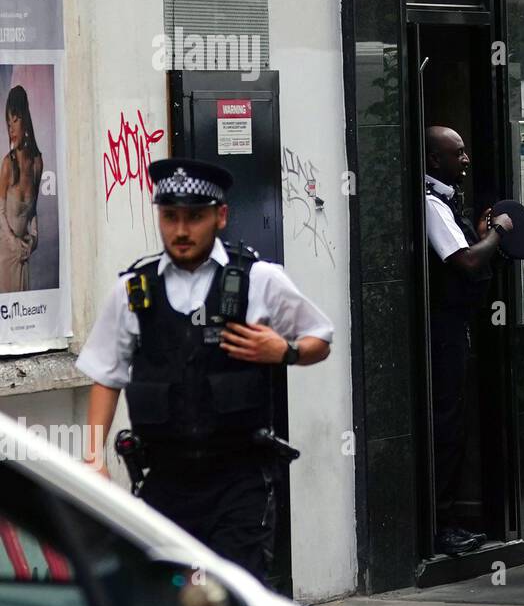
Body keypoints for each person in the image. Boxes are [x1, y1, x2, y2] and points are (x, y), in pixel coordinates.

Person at [77, 157, 333, 582]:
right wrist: (93, 457)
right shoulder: (132, 290)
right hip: (163, 481)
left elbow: (320, 339)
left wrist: (284, 350)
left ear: (220, 216)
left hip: (239, 480)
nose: (180, 231)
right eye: (170, 216)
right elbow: (107, 374)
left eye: (194, 217)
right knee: (162, 598)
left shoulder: (259, 279)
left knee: (235, 596)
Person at [423, 125, 513, 557]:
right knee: (446, 424)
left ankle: (448, 520)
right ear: (434, 160)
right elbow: (465, 260)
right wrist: (497, 232)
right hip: (443, 332)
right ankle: (441, 525)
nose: (466, 160)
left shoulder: (444, 201)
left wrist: (481, 234)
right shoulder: (431, 204)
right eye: (457, 153)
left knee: (453, 423)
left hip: (451, 328)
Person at [0, 85, 42, 293]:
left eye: (15, 120)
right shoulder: (7, 164)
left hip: (24, 256)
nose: (11, 129)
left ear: (25, 118)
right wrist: (15, 244)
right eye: (8, 124)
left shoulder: (37, 163)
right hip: (4, 256)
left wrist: (33, 239)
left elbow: (33, 211)